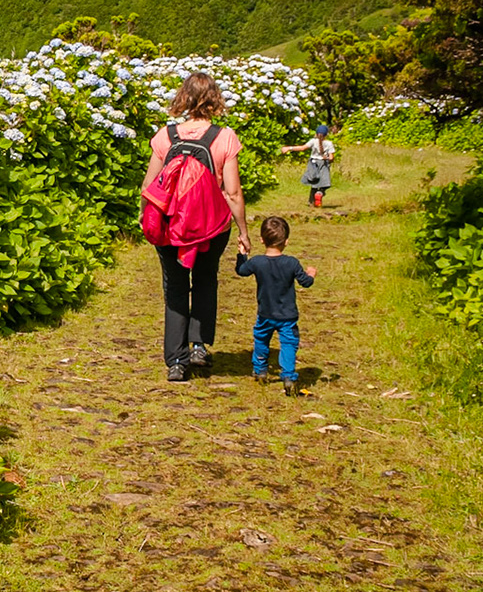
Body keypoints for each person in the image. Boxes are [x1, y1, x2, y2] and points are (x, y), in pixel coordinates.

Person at [141, 71, 251, 381]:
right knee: (205, 280)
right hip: (211, 227)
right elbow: (232, 192)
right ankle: (199, 347)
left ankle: (176, 362)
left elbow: (149, 184)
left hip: (170, 226)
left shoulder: (165, 136)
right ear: (215, 99)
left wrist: (145, 216)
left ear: (183, 98)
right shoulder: (224, 137)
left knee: (175, 288)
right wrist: (243, 231)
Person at [236, 215, 317, 396]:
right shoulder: (291, 263)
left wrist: (242, 254)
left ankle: (260, 370)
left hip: (265, 313)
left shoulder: (257, 262)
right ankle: (288, 376)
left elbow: (241, 271)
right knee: (288, 343)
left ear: (262, 240)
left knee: (261, 340)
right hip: (287, 315)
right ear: (286, 241)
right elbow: (306, 282)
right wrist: (310, 274)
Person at [282, 124, 337, 207]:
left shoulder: (313, 141)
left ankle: (311, 203)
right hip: (323, 164)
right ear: (326, 134)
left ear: (316, 133)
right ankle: (320, 193)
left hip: (313, 164)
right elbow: (331, 157)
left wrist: (289, 148)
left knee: (314, 183)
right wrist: (328, 158)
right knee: (325, 183)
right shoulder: (329, 143)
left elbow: (302, 148)